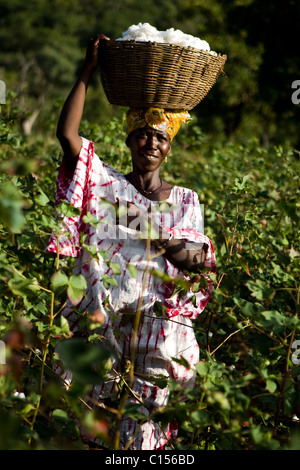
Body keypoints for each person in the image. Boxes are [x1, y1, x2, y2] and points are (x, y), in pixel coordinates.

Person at [47, 34, 216, 450]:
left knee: (146, 433)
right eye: (142, 135)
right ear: (129, 140)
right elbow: (67, 136)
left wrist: (148, 226)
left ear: (170, 147)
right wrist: (87, 71)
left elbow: (196, 259)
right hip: (103, 323)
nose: (151, 144)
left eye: (160, 138)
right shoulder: (106, 185)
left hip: (157, 333)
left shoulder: (184, 201)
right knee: (94, 425)